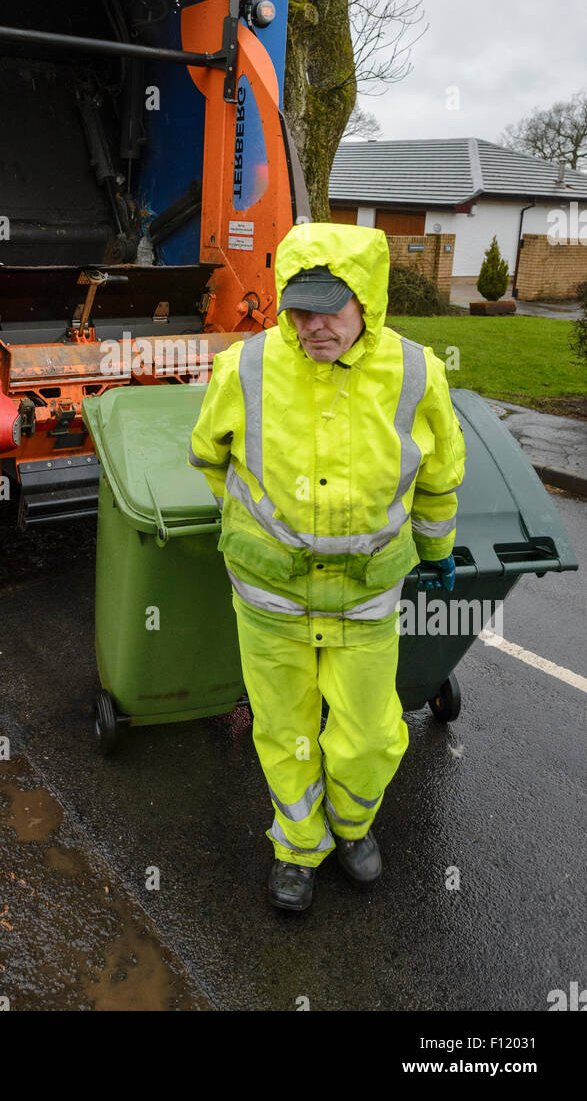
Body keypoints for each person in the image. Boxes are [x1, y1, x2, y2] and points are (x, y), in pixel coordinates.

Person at [189, 222, 465, 912]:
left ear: (366, 300)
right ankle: (296, 849)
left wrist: (434, 549)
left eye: (329, 308)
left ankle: (352, 828)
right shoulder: (245, 367)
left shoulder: (414, 371)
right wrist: (257, 531)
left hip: (365, 598)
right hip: (271, 595)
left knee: (368, 731)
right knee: (282, 730)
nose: (313, 326)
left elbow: (436, 477)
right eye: (299, 308)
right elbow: (210, 460)